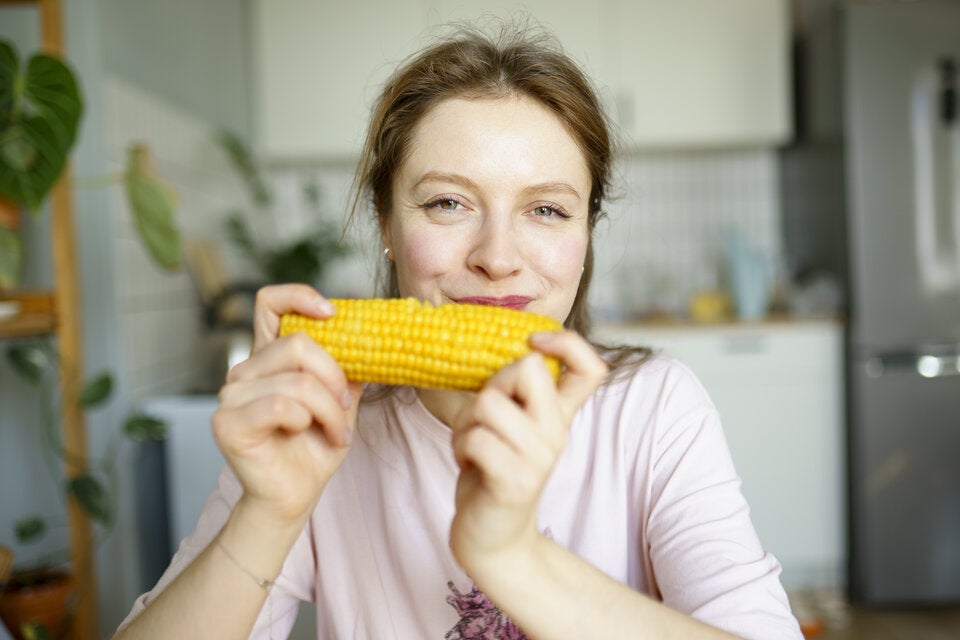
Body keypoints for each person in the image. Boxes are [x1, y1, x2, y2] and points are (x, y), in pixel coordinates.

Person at [115, 21, 803, 640]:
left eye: (546, 210)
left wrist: (514, 555)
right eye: (448, 202)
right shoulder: (316, 424)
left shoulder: (652, 409)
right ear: (386, 225)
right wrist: (267, 513)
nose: (497, 256)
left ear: (586, 235)